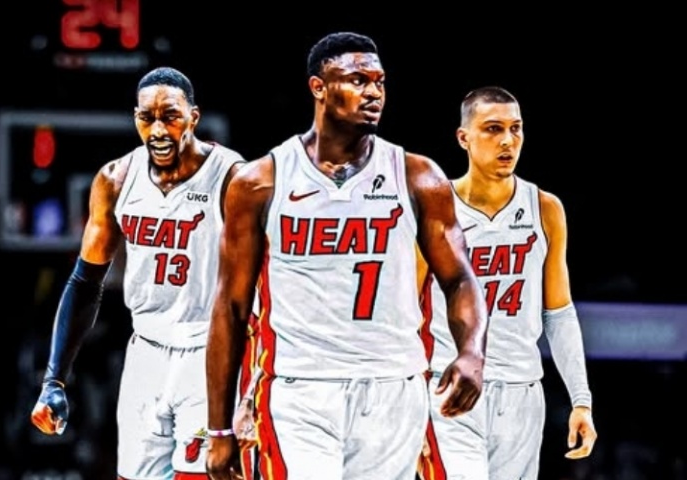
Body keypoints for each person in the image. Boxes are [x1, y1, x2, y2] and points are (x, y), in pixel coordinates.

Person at [204, 31, 489, 480]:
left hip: (395, 384)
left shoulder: (419, 177)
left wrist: (472, 351)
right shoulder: (260, 181)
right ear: (318, 87)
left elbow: (460, 278)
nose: (373, 92)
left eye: (379, 81)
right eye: (358, 80)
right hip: (299, 388)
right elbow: (231, 306)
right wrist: (219, 428)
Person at [30, 66, 246, 480]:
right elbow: (85, 281)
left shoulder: (232, 177)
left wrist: (254, 382)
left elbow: (260, 280)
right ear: (135, 118)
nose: (158, 129)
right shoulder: (115, 180)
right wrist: (54, 379)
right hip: (144, 351)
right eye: (147, 117)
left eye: (171, 116)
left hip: (209, 352)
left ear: (194, 117)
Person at [418, 86, 597, 480]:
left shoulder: (545, 208)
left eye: (516, 128)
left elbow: (559, 313)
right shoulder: (434, 208)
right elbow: (404, 312)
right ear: (463, 138)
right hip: (450, 386)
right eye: (493, 129)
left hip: (523, 394)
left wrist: (581, 400)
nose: (507, 140)